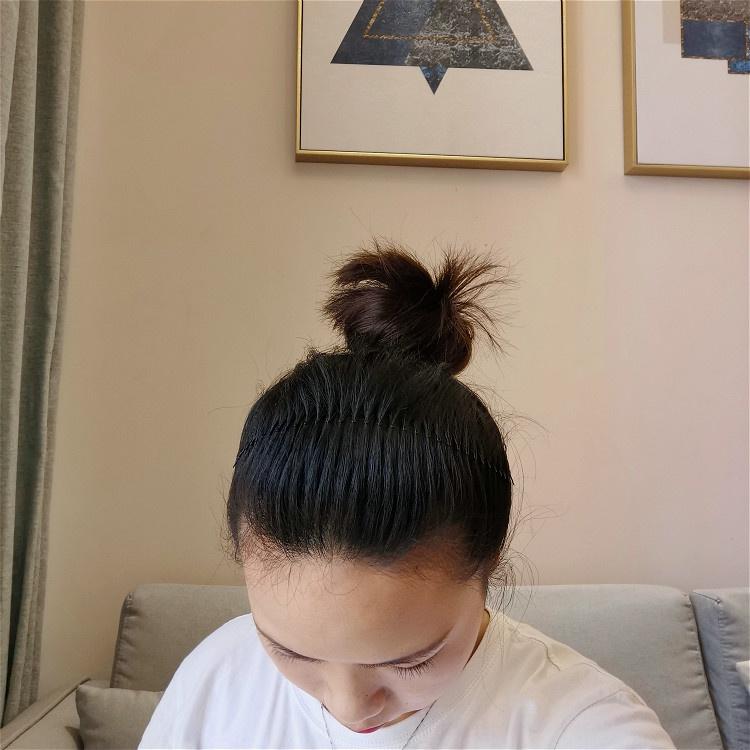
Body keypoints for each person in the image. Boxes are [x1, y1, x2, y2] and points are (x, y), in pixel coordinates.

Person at [139, 240, 676, 749]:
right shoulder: (218, 675)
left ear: (489, 563)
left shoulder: (583, 726)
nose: (349, 709)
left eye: (409, 663)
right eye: (290, 652)